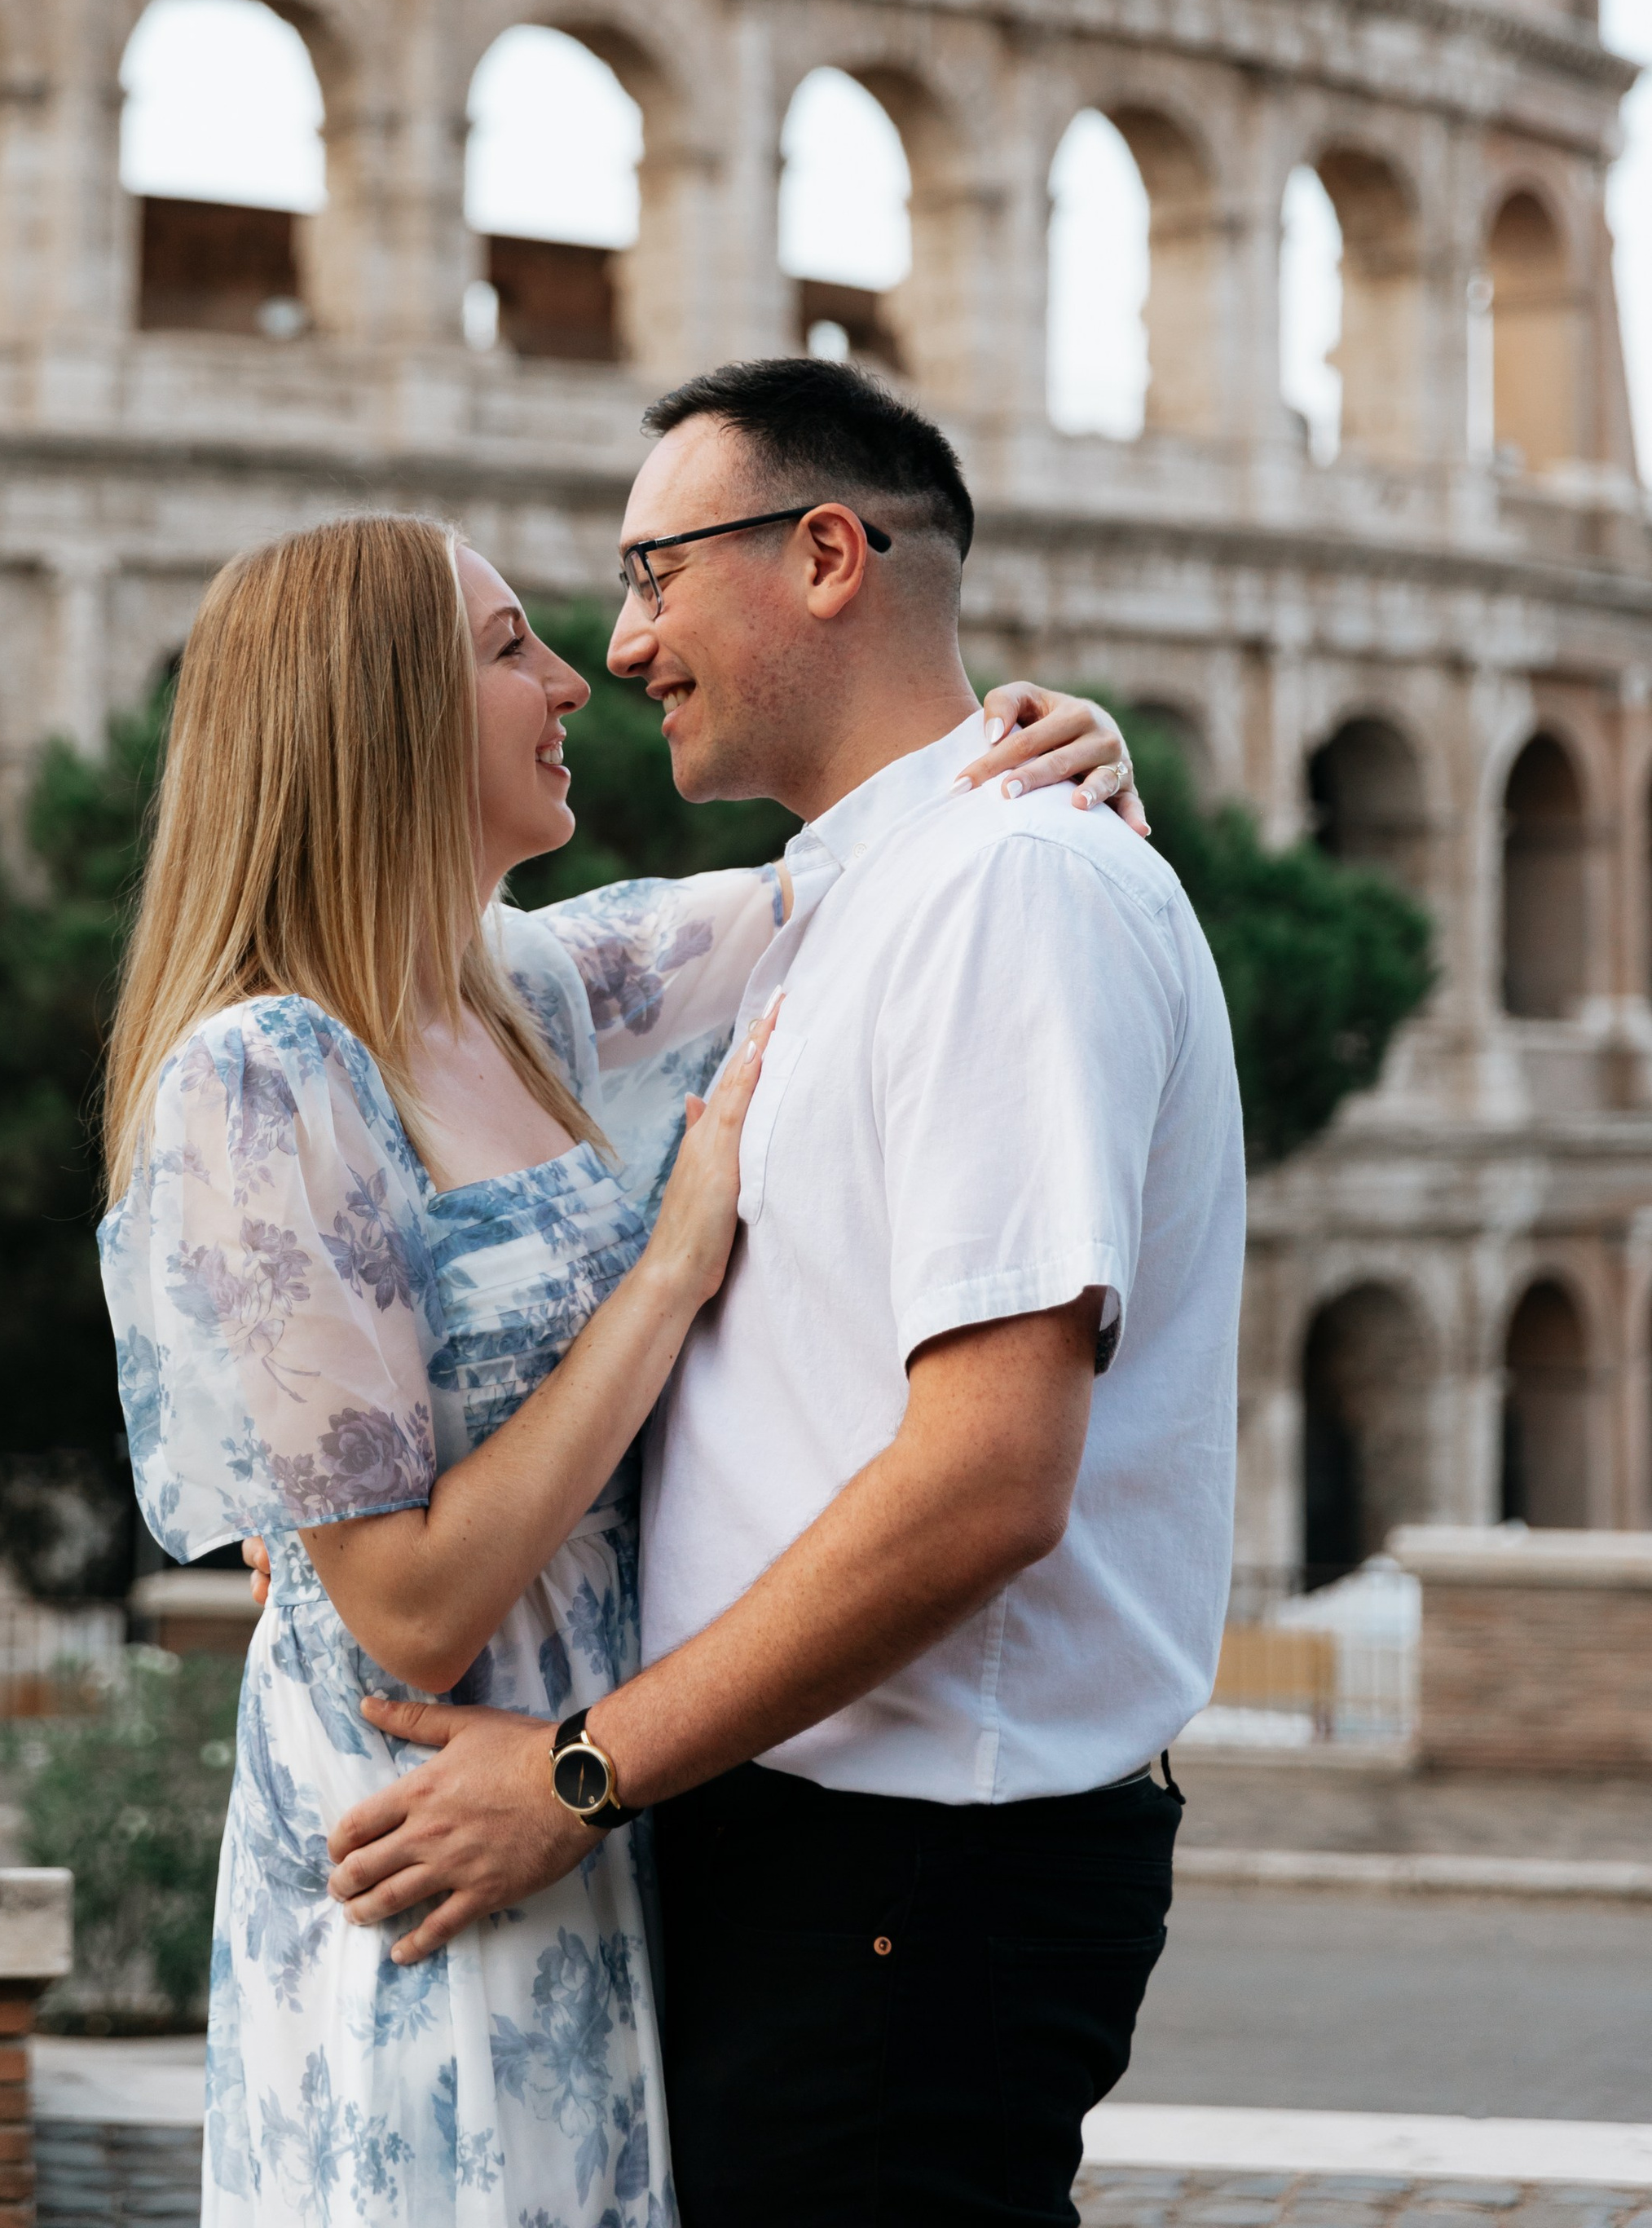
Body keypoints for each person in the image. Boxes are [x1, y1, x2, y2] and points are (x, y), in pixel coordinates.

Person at [99, 498, 1142, 2228]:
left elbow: (866, 879)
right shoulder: (262, 1075)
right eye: (510, 648)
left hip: (597, 1797)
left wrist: (1047, 747)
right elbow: (407, 1607)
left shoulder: (527, 988)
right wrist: (667, 1272)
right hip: (427, 1819)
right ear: (380, 716)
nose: (574, 679)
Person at [319, 360, 1249, 2228]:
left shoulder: (1004, 890)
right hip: (823, 1838)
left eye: (654, 570)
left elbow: (989, 1474)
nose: (623, 639)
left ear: (825, 554)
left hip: (910, 1863)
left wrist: (574, 1778)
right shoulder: (850, 901)